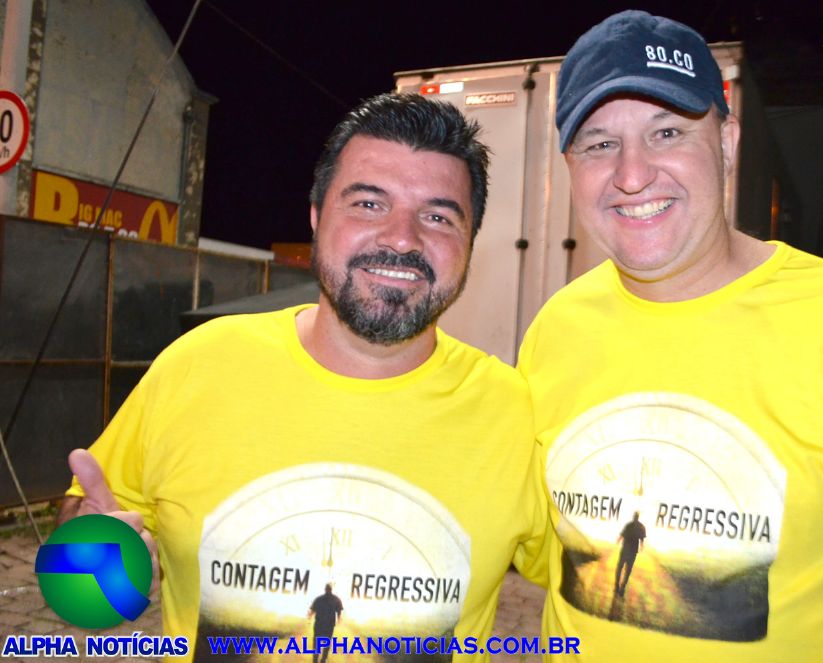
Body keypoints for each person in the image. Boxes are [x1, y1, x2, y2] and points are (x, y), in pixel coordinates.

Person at [517, 10, 823, 661]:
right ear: (570, 167)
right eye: (599, 144)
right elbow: (544, 559)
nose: (632, 173)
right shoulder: (555, 329)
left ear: (727, 142)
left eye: (667, 132)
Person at [59, 92, 547, 662]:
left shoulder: (514, 411)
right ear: (316, 217)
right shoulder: (199, 364)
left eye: (438, 217)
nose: (402, 238)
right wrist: (95, 558)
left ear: (469, 244)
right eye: (368, 203)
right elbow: (81, 566)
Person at [308, 583, 343, 663]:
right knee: (322, 643)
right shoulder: (334, 599)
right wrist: (310, 616)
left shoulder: (321, 599)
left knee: (321, 643)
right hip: (323, 625)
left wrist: (339, 619)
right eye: (328, 589)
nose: (328, 591)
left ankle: (321, 659)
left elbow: (339, 611)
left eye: (328, 589)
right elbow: (312, 610)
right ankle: (319, 659)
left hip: (324, 625)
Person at [614, 511, 645, 597]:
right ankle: (620, 587)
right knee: (625, 570)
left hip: (628, 550)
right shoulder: (639, 526)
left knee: (623, 569)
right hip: (630, 551)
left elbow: (641, 539)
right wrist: (641, 546)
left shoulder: (631, 525)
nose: (635, 517)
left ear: (636, 517)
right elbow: (642, 539)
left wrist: (619, 540)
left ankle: (620, 587)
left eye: (635, 516)